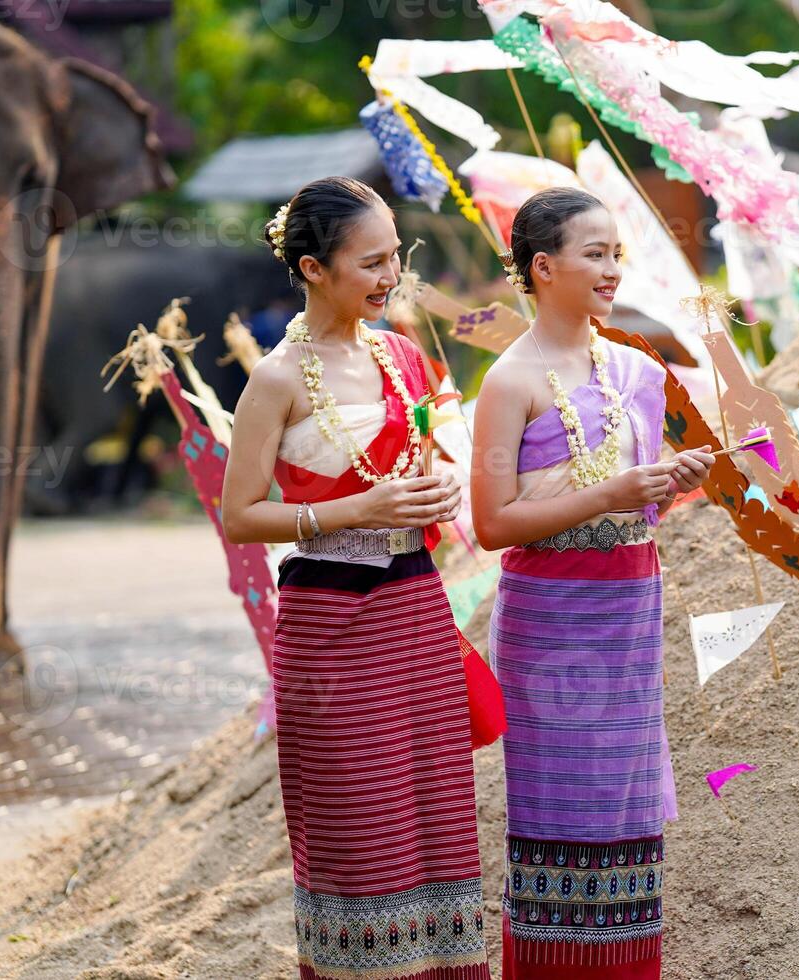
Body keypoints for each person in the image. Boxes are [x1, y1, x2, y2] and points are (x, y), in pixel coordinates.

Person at [221, 176, 490, 980]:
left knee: (439, 818)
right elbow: (242, 515)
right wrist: (351, 510)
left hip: (416, 610)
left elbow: (422, 467)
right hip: (332, 628)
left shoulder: (401, 353)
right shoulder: (274, 380)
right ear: (312, 268)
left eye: (394, 258)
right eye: (370, 263)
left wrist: (435, 490)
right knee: (360, 830)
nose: (389, 278)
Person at [470, 187, 714, 979]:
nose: (613, 269)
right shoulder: (509, 381)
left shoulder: (636, 367)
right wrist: (613, 493)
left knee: (625, 817)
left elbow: (633, 494)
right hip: (554, 621)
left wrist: (669, 479)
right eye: (595, 253)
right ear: (543, 267)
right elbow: (495, 523)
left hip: (630, 608)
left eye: (617, 253)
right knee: (560, 813)